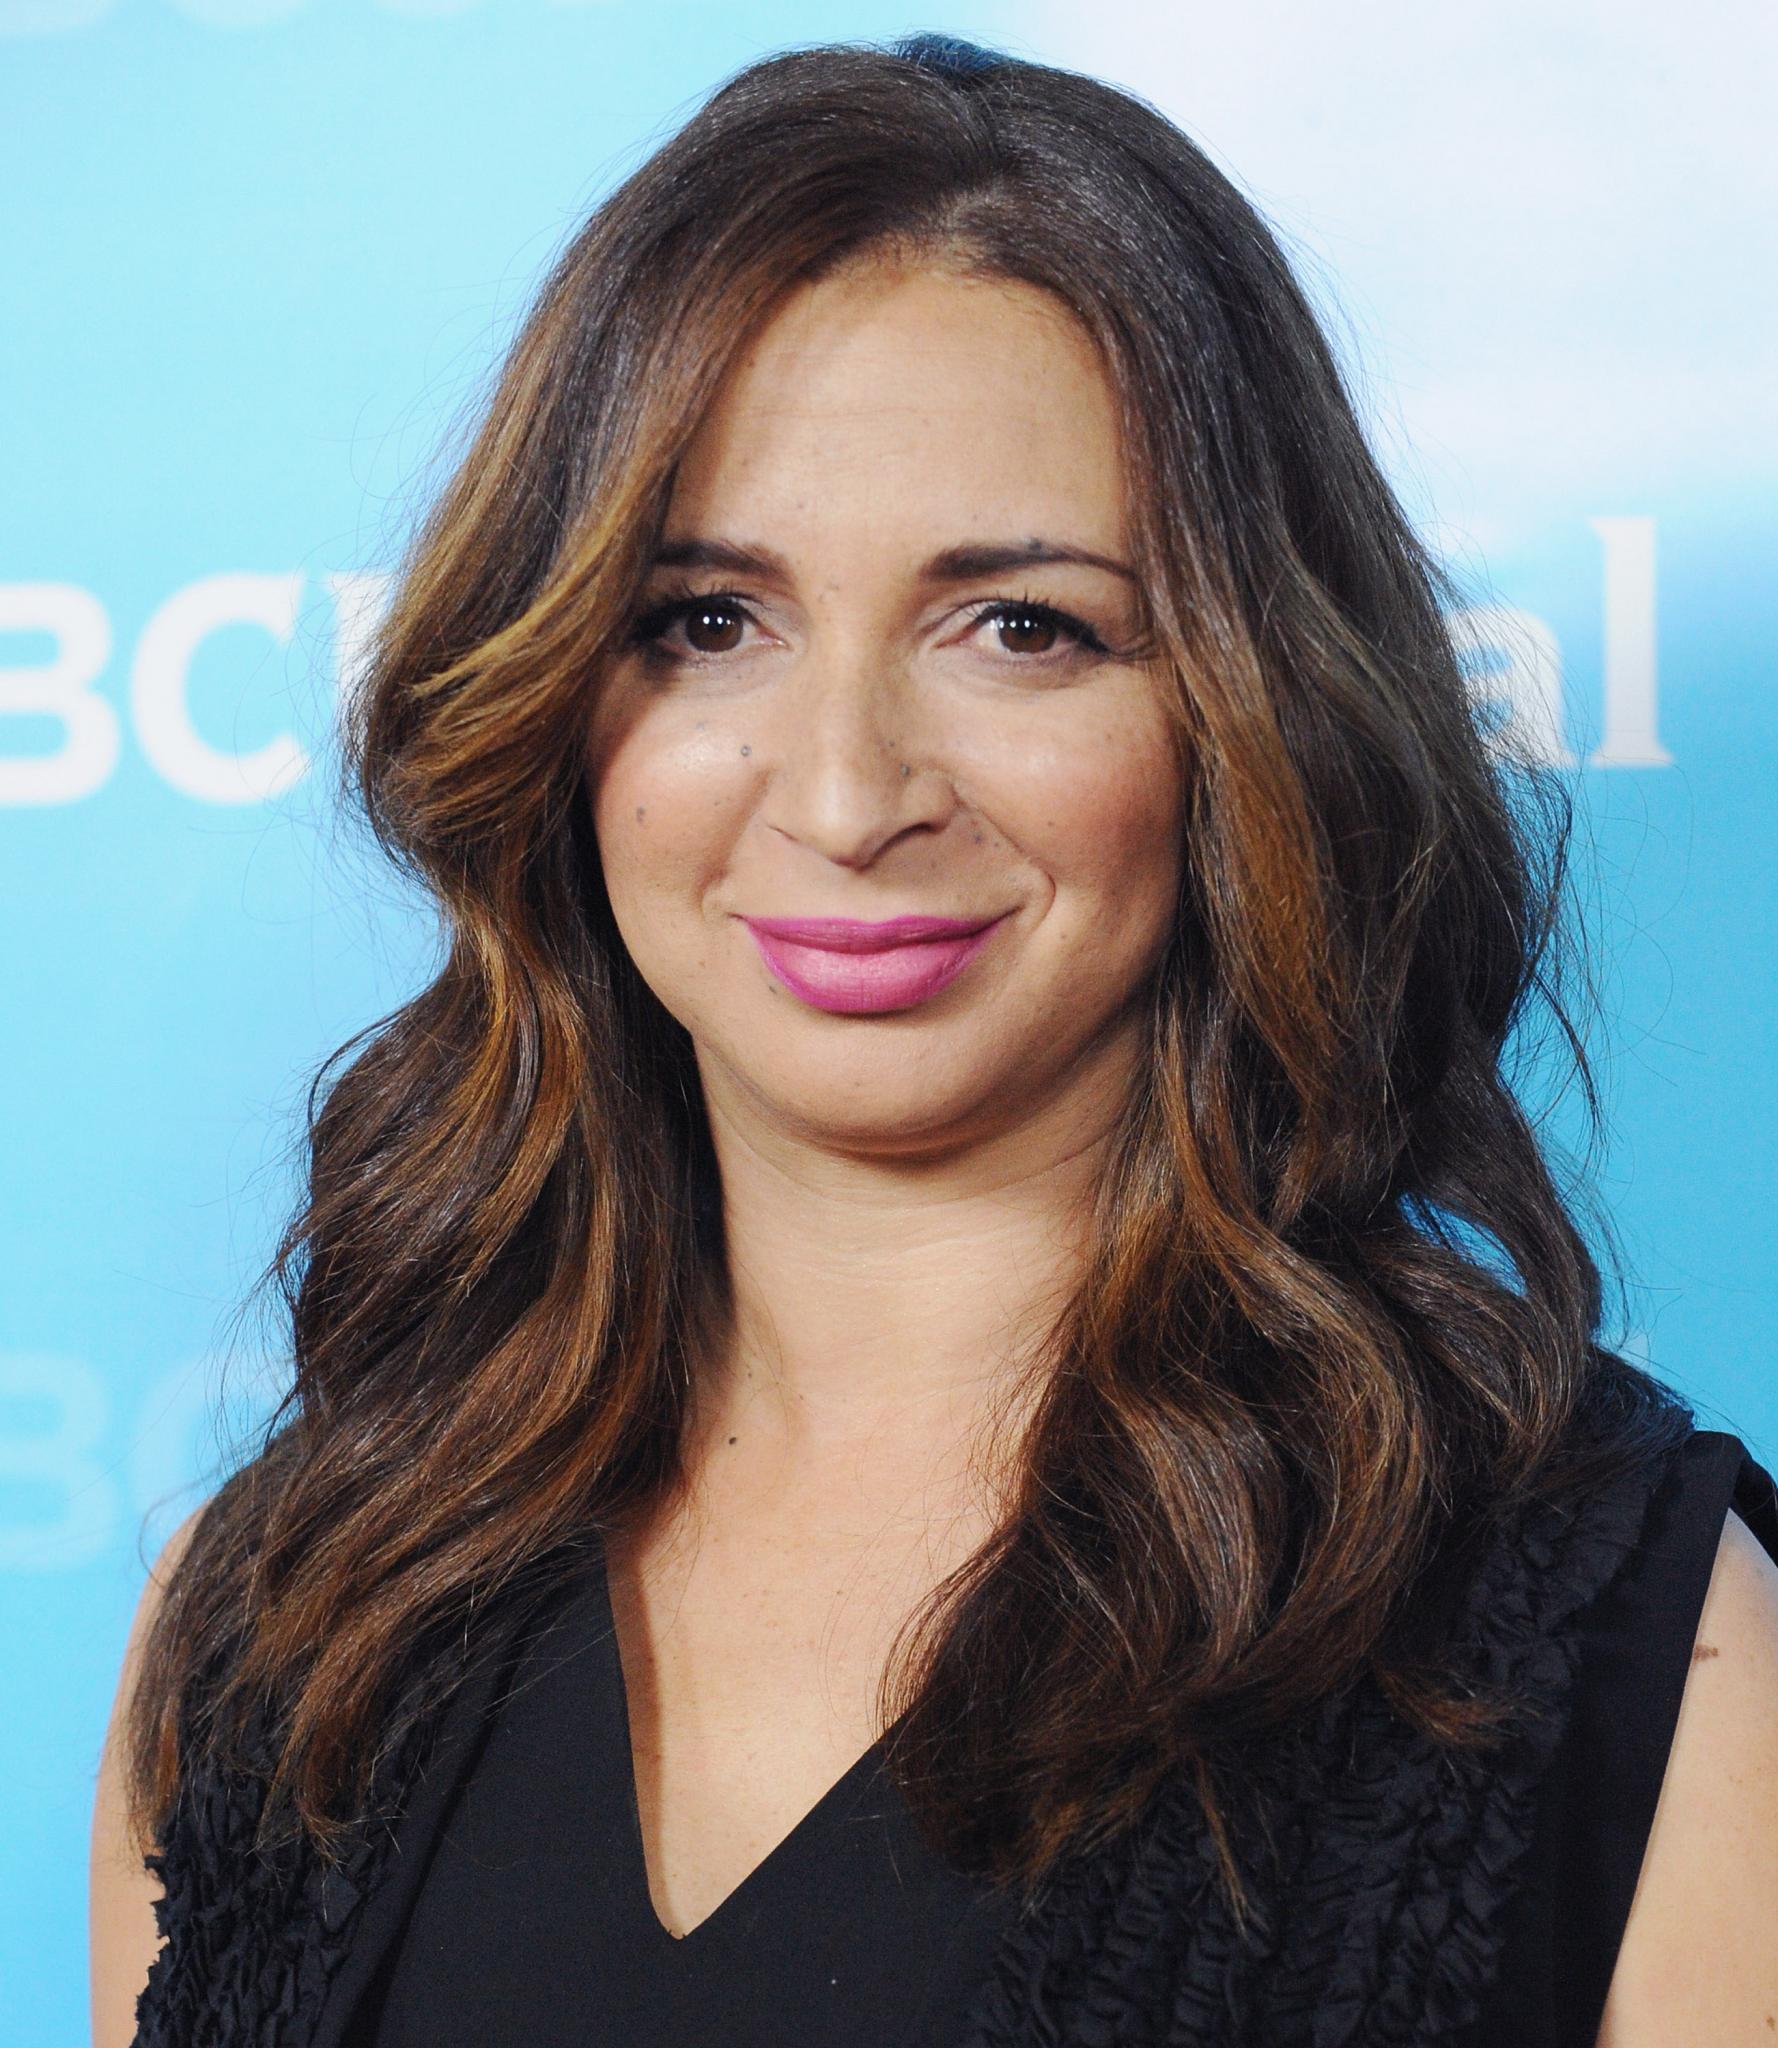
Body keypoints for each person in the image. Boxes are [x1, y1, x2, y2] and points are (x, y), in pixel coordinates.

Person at [89, 29, 1778, 2048]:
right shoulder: (281, 1621)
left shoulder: (1628, 1653)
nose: (843, 792)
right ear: (552, 699)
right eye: (707, 621)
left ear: (1250, 715)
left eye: (1020, 627)